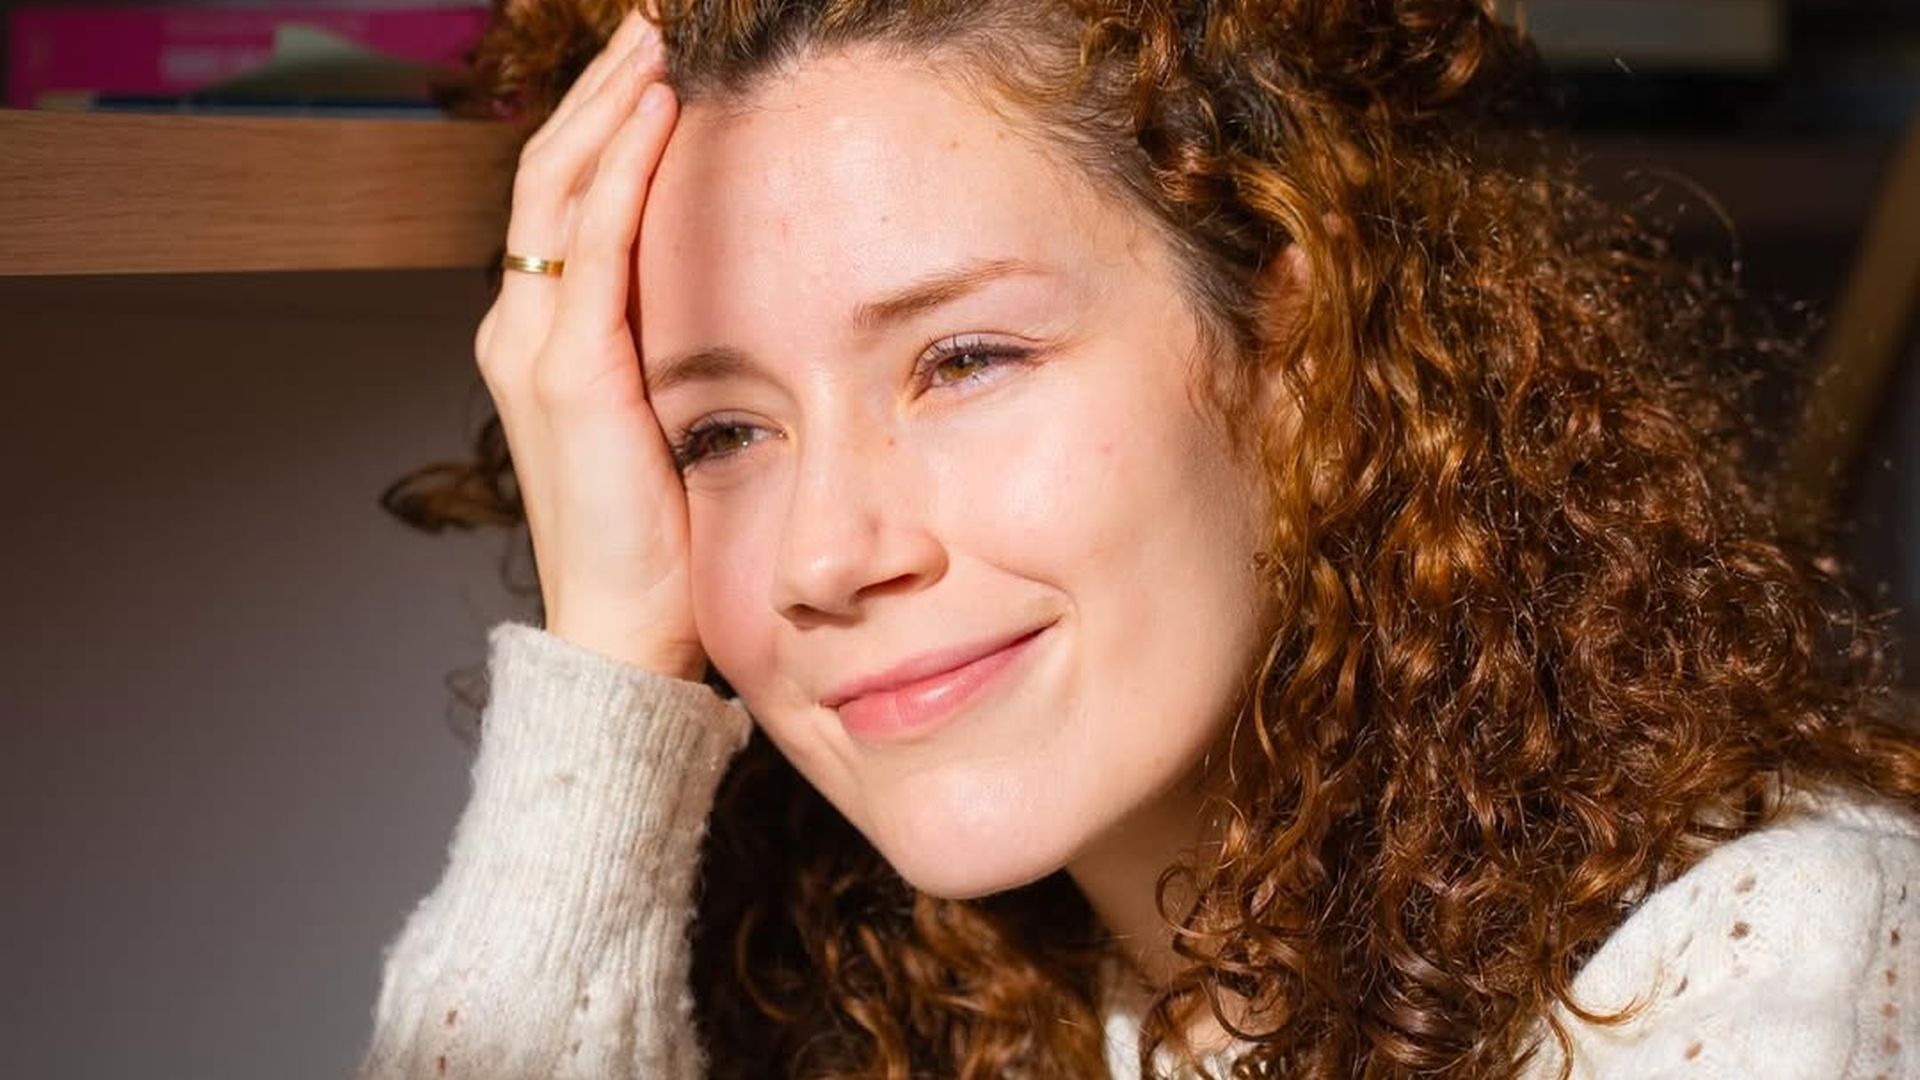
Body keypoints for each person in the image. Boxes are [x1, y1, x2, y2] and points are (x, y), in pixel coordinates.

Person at [358, 1, 1920, 1077]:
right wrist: (609, 670)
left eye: (964, 360)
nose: (825, 556)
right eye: (719, 435)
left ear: (1294, 342)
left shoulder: (1773, 967)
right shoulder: (916, 1001)